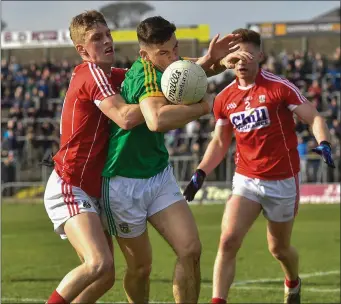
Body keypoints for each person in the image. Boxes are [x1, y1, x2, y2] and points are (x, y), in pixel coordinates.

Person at [183, 28, 335, 304]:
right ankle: (218, 300)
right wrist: (200, 173)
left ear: (260, 56)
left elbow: (313, 118)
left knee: (279, 249)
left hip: (282, 180)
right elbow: (219, 142)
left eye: (248, 55)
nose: (241, 61)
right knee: (228, 240)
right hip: (246, 180)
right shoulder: (224, 98)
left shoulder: (279, 87)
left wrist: (323, 141)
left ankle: (293, 281)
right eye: (236, 56)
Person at [100, 16, 241, 304]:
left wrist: (215, 60)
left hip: (158, 176)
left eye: (175, 48)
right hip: (123, 182)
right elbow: (156, 119)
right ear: (144, 55)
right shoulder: (145, 76)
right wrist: (205, 107)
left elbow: (187, 71)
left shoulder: (165, 64)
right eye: (164, 53)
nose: (173, 56)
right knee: (141, 268)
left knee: (190, 249)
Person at [43, 10, 145, 304]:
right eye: (96, 38)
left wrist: (205, 66)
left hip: (91, 189)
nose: (107, 41)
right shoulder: (91, 73)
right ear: (82, 50)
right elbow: (125, 118)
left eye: (108, 34)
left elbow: (158, 73)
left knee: (105, 275)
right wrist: (159, 109)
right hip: (69, 184)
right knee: (99, 263)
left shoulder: (109, 75)